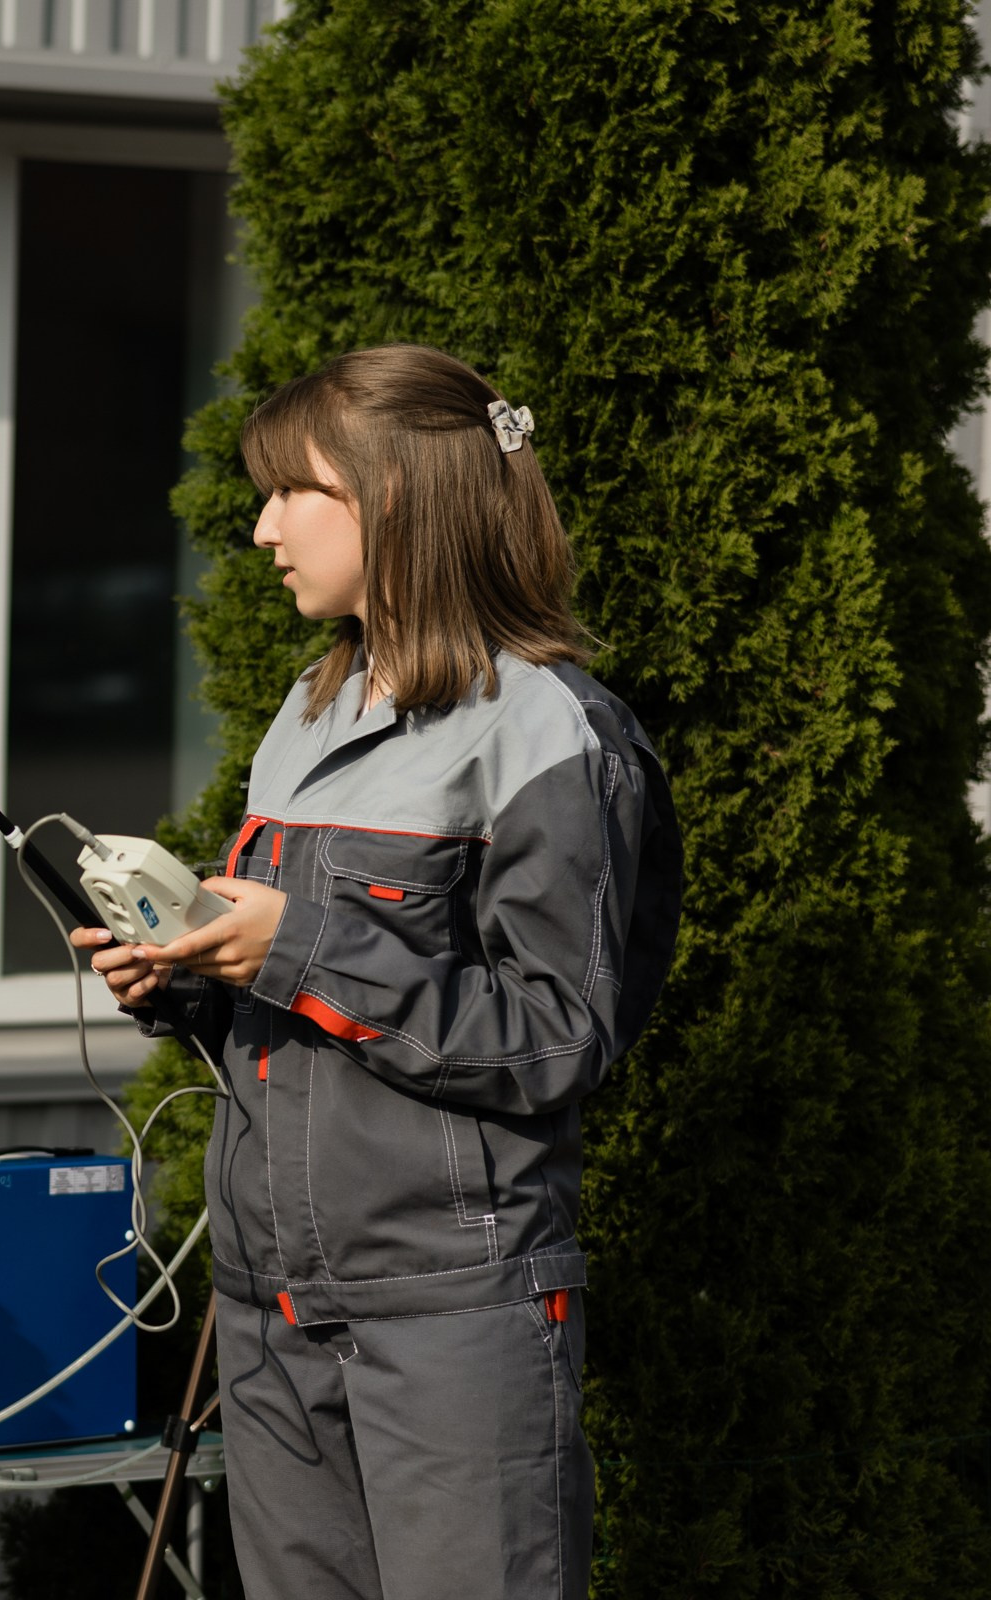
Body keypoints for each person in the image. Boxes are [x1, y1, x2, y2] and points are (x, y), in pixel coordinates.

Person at [76, 345, 680, 1600]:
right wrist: (189, 978)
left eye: (293, 492)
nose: (261, 529)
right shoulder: (308, 714)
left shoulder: (552, 731)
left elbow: (558, 1037)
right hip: (270, 1311)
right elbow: (317, 1011)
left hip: (453, 1316)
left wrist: (293, 944)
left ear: (394, 491)